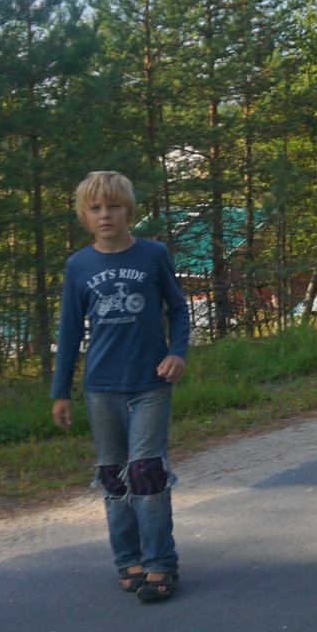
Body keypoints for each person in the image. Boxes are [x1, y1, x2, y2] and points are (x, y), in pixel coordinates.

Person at [50, 170, 192, 603]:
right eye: (95, 208)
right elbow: (70, 332)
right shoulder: (79, 265)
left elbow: (180, 310)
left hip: (151, 382)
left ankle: (160, 563)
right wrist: (61, 392)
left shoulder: (153, 254)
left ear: (129, 211)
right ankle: (127, 558)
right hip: (101, 387)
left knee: (147, 472)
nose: (105, 214)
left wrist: (177, 352)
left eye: (113, 206)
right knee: (114, 476)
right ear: (84, 215)